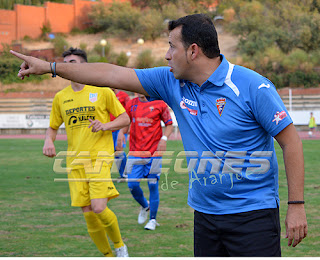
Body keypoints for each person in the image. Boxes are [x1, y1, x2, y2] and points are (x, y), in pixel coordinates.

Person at [11, 13, 308, 257]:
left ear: (193, 51)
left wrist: (296, 206)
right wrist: (50, 67)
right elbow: (112, 74)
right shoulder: (171, 82)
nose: (166, 55)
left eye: (171, 47)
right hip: (204, 215)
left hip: (253, 216)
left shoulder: (252, 86)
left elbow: (291, 141)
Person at [42, 47, 130, 257]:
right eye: (64, 63)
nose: (66, 67)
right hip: (75, 161)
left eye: (72, 63)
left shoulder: (102, 90)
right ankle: (108, 255)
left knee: (99, 207)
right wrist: (48, 140)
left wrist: (105, 126)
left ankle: (120, 247)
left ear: (85, 66)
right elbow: (53, 127)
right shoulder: (61, 97)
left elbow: (124, 118)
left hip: (99, 157)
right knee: (88, 214)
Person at [121, 94, 173, 230]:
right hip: (135, 152)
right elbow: (126, 123)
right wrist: (121, 134)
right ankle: (145, 205)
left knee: (152, 184)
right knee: (132, 184)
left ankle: (153, 220)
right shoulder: (131, 104)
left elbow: (169, 124)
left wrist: (164, 139)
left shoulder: (160, 103)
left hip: (154, 153)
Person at [110, 89, 131, 178]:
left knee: (119, 150)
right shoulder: (107, 95)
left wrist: (127, 127)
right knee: (114, 152)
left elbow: (129, 112)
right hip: (109, 128)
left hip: (120, 129)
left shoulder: (124, 96)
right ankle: (122, 174)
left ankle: (125, 173)